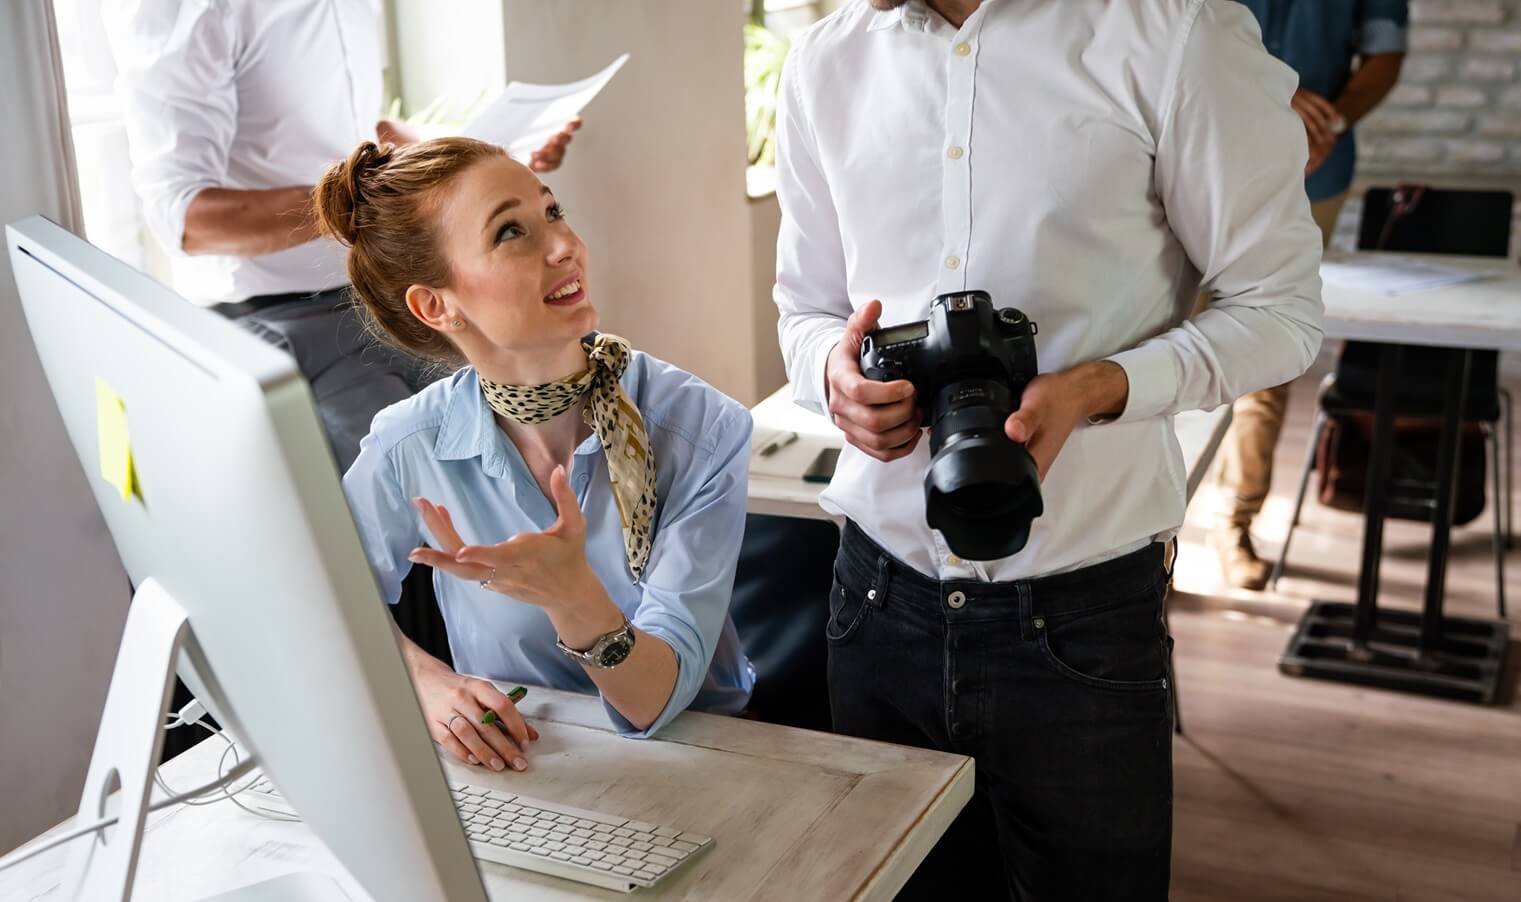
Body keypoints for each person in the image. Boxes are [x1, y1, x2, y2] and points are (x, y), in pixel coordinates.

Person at [773, 1, 1323, 899]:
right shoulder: (824, 61)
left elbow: (1279, 311)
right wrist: (831, 376)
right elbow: (804, 309)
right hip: (874, 600)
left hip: (1080, 616)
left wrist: (1098, 389)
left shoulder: (1175, 33)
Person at [315, 138, 754, 768]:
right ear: (435, 305)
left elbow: (655, 702)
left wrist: (573, 596)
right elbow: (322, 598)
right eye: (510, 232)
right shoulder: (407, 444)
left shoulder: (700, 428)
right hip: (518, 759)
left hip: (708, 759)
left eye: (552, 212)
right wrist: (420, 678)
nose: (565, 244)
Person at [103, 0, 579, 473]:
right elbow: (186, 219)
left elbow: (364, 134)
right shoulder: (191, 10)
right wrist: (359, 201)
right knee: (425, 487)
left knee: (534, 452)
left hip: (381, 294)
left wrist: (492, 161)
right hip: (280, 319)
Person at [1211, 0, 1408, 590]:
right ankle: (1152, 538)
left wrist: (1332, 120)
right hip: (1201, 158)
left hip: (1311, 173)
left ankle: (1235, 521)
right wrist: (1268, 92)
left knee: (1264, 347)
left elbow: (1385, 52)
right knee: (1158, 336)